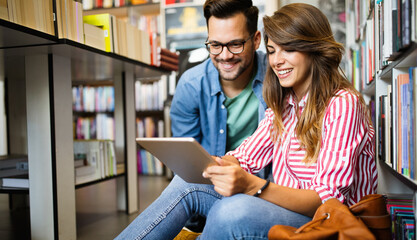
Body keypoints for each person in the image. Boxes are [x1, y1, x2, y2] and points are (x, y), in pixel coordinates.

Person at [115, 3, 377, 239]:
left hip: (327, 218)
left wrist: (252, 185)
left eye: (289, 49)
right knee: (189, 183)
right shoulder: (285, 103)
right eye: (273, 51)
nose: (277, 61)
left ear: (314, 49)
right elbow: (245, 156)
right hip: (284, 207)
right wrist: (216, 166)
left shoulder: (343, 104)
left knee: (233, 210)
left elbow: (326, 198)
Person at [169, 0, 268, 232]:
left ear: (255, 40)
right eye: (215, 45)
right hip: (213, 189)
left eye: (235, 44)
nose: (225, 56)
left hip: (268, 191)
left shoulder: (279, 76)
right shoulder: (191, 85)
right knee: (180, 186)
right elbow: (186, 166)